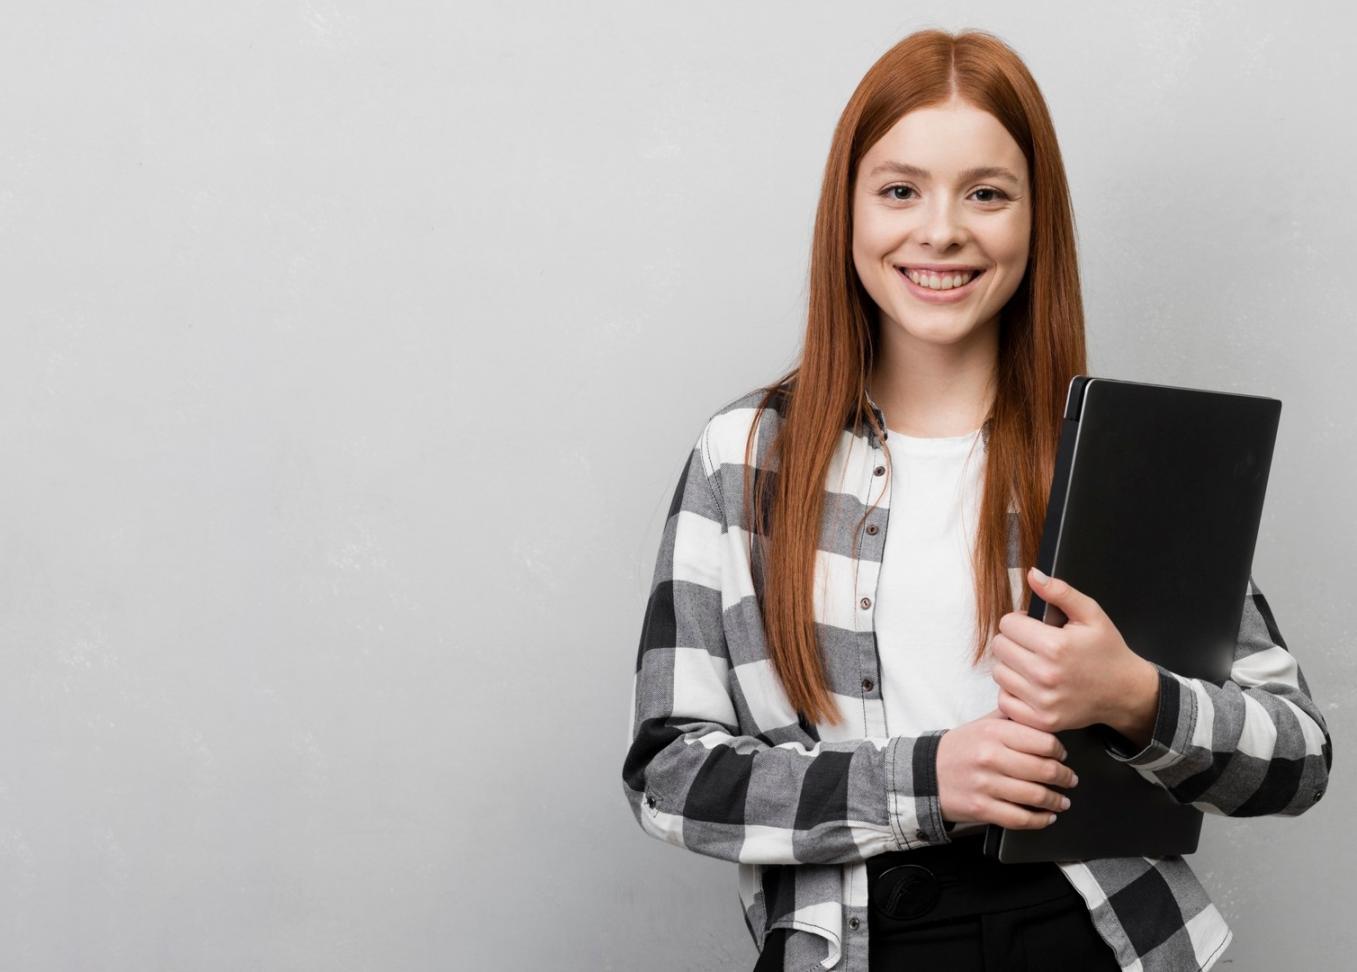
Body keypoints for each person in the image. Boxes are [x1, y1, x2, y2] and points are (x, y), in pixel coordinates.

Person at [621, 27, 1332, 972]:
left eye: (986, 193)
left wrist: (1133, 697)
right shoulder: (747, 456)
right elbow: (669, 775)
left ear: (1036, 220)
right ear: (846, 212)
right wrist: (925, 780)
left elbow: (1298, 759)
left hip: (1098, 934)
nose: (941, 231)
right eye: (899, 190)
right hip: (860, 940)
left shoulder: (1120, 461)